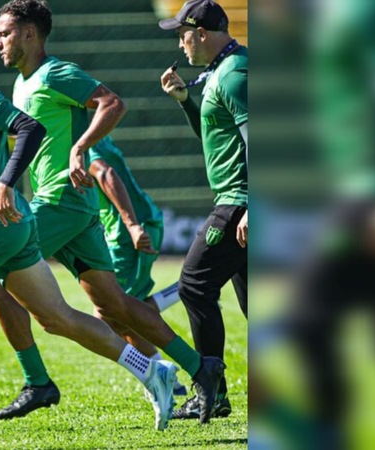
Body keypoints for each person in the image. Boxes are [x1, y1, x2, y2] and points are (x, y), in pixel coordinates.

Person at [0, 23, 180, 446]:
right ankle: (151, 370)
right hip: (12, 227)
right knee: (57, 318)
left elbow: (30, 128)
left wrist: (6, 182)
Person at [0, 0, 224, 425]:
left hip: (60, 202)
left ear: (29, 34)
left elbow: (113, 103)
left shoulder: (54, 73)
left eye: (4, 33)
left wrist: (80, 148)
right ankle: (199, 367)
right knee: (115, 307)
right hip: (75, 209)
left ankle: (37, 381)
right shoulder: (23, 84)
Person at [158, 0, 248, 420]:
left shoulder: (234, 74)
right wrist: (184, 100)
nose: (180, 43)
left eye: (182, 35)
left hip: (239, 203)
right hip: (237, 202)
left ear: (201, 33)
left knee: (194, 285)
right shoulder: (221, 70)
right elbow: (215, 133)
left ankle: (211, 390)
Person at [87, 136, 187, 396]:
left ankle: (185, 289)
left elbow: (106, 174)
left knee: (110, 314)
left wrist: (131, 225)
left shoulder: (82, 143)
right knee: (124, 315)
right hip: (138, 225)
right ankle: (165, 378)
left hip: (128, 233)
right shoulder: (100, 138)